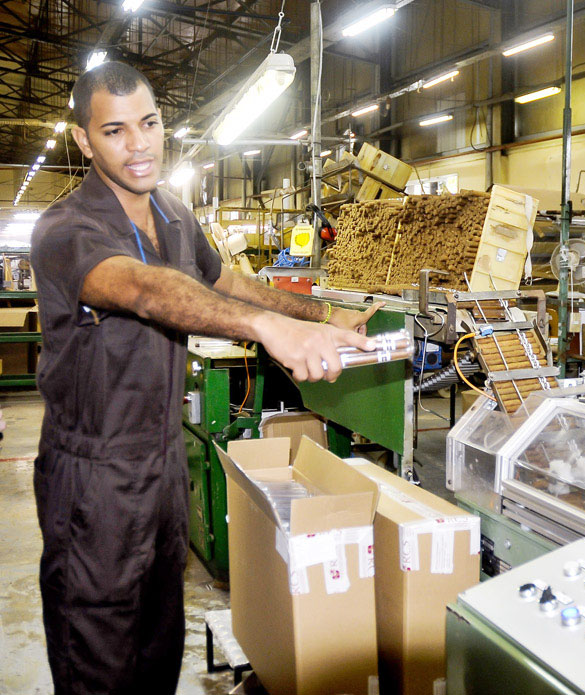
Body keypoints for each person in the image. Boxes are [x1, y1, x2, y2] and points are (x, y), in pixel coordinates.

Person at [30, 61, 382, 694]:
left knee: (160, 647)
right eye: (115, 131)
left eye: (150, 123)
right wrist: (265, 332)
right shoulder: (65, 230)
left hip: (162, 468)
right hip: (93, 483)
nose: (139, 145)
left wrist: (320, 315)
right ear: (84, 140)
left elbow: (225, 284)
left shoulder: (171, 214)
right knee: (99, 656)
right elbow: (144, 290)